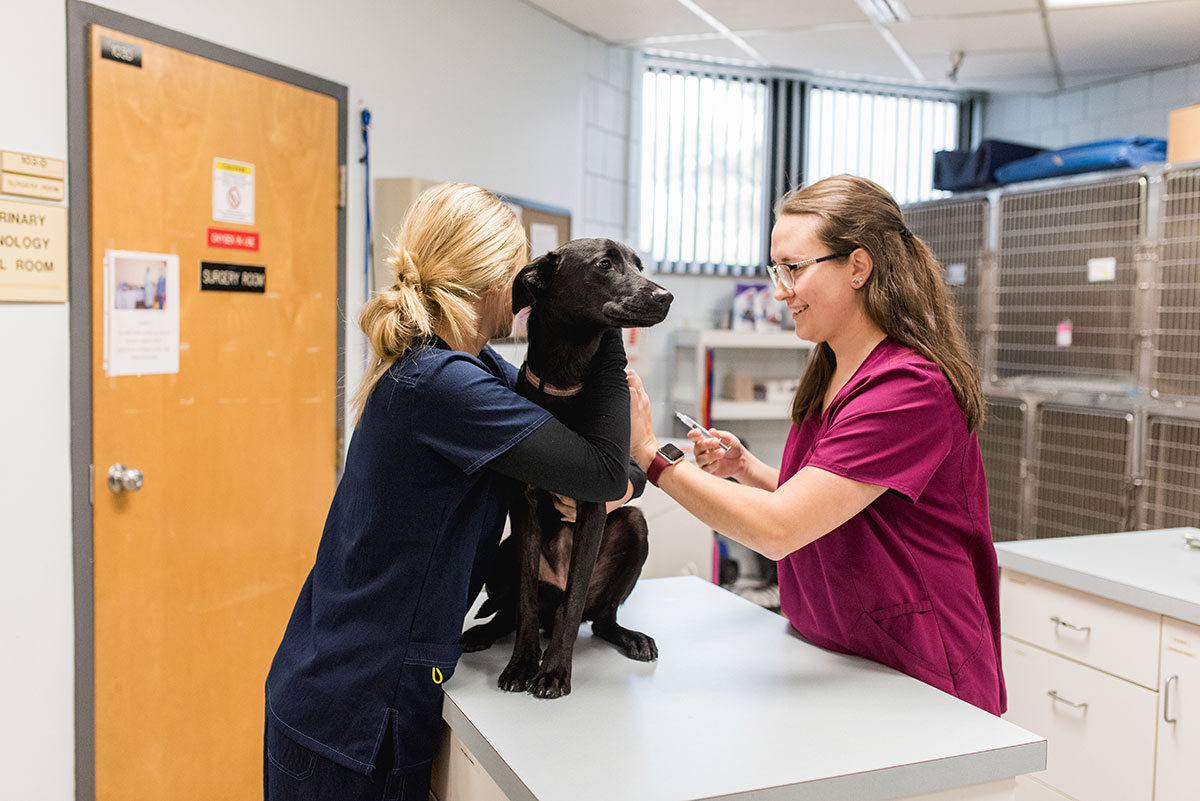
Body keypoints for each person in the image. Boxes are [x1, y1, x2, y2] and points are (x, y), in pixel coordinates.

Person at [264, 183, 644, 801]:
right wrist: (612, 328)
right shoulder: (444, 387)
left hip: (340, 682)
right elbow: (603, 470)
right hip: (355, 710)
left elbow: (597, 472)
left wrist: (630, 472)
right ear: (497, 280)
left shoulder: (467, 369)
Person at [626, 174, 1005, 716]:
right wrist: (751, 472)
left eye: (794, 268)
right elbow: (844, 501)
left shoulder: (909, 387)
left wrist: (649, 453)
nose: (780, 290)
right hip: (838, 650)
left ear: (858, 266)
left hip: (918, 668)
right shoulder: (831, 364)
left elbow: (780, 529)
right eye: (776, 270)